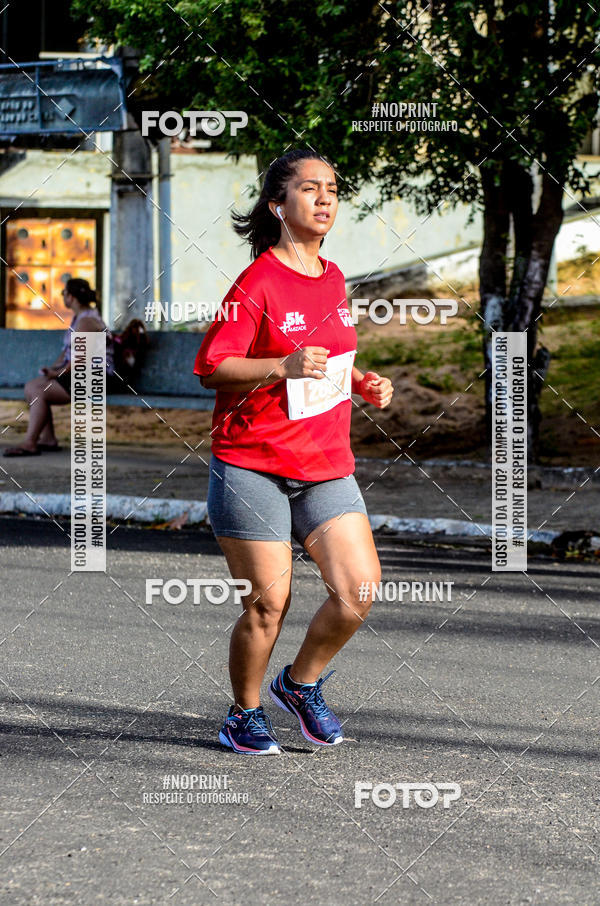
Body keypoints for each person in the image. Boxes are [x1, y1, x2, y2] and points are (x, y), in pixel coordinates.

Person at [194, 149, 394, 755]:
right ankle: (243, 714)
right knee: (268, 602)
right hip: (251, 464)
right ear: (279, 205)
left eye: (333, 188)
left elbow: (329, 357)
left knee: (359, 589)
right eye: (310, 189)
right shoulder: (257, 282)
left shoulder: (333, 279)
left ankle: (300, 684)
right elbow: (211, 366)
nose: (326, 198)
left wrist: (363, 381)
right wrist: (279, 367)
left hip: (325, 464)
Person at [3, 278, 115, 457]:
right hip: (82, 374)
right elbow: (67, 353)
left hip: (96, 377)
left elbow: (79, 359)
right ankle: (47, 439)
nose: (63, 297)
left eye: (64, 294)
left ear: (71, 297)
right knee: (32, 386)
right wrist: (52, 370)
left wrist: (57, 373)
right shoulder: (79, 319)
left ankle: (30, 442)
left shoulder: (87, 322)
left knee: (39, 391)